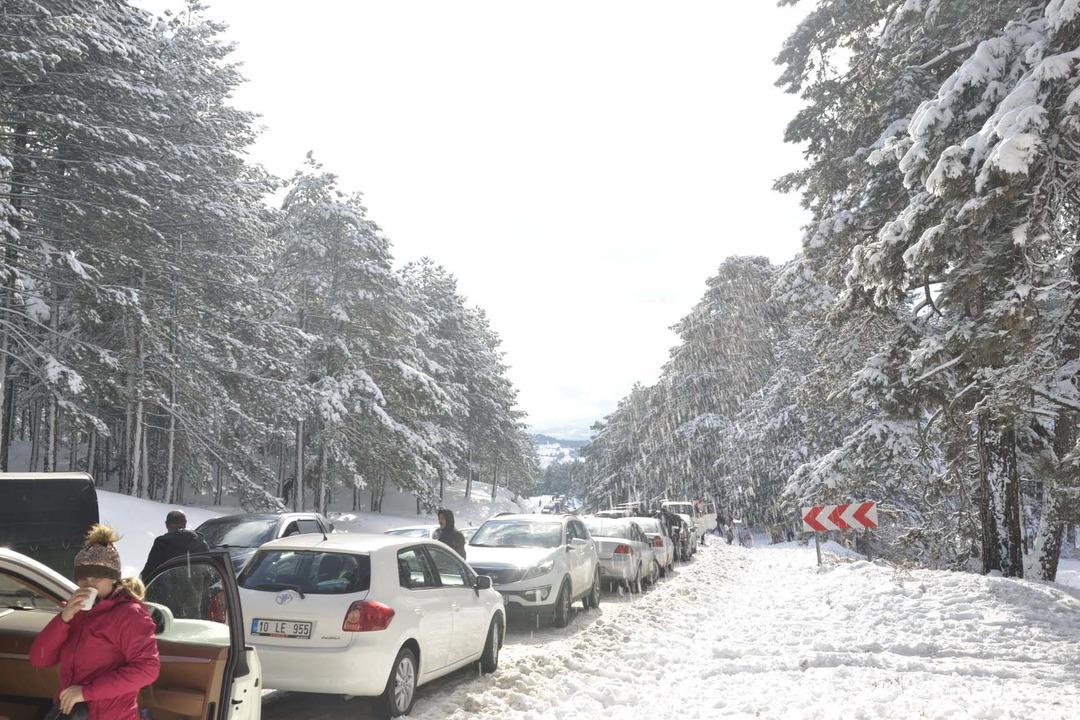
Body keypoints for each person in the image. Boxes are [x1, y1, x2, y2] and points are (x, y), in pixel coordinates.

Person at [30, 524, 160, 720]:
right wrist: (64, 618)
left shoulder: (130, 614)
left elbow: (147, 669)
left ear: (113, 579)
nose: (88, 583)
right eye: (83, 577)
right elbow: (39, 659)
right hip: (72, 713)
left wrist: (85, 692)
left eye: (97, 576)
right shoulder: (75, 612)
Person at [140, 510, 209, 581]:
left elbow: (150, 570)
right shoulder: (201, 543)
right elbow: (208, 572)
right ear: (185, 523)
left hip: (167, 591)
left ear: (166, 524)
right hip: (198, 590)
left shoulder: (162, 543)